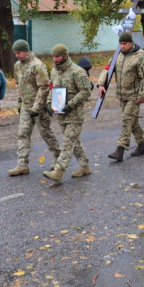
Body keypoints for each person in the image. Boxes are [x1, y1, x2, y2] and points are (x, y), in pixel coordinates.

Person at [8, 40, 60, 176]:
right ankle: (22, 165)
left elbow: (44, 87)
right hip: (26, 107)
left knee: (46, 133)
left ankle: (58, 157)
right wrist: (19, 104)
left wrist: (36, 107)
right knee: (22, 134)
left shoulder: (38, 65)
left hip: (39, 108)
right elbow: (18, 85)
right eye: (15, 53)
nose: (17, 55)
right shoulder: (17, 66)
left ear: (26, 51)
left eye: (18, 53)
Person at [43, 44, 92, 183]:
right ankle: (84, 166)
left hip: (75, 114)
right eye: (53, 56)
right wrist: (49, 102)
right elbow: (52, 89)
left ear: (65, 55)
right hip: (61, 114)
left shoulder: (77, 71)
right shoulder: (54, 72)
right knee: (74, 142)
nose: (55, 59)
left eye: (57, 56)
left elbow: (86, 91)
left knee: (67, 142)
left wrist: (70, 105)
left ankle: (58, 171)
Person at [98, 32, 144, 162]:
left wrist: (142, 95)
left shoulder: (139, 56)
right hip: (122, 95)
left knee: (127, 120)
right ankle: (142, 145)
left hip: (134, 96)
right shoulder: (118, 55)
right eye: (120, 44)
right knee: (132, 123)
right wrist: (101, 84)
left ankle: (120, 150)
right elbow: (107, 69)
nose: (122, 46)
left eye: (124, 44)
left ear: (130, 43)